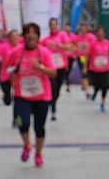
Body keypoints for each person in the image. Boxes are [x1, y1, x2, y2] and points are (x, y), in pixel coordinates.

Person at [6, 22, 56, 167]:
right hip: (22, 96)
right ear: (24, 36)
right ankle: (27, 144)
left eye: (34, 32)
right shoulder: (16, 52)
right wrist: (12, 76)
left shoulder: (44, 52)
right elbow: (8, 69)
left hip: (41, 96)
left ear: (38, 36)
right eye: (28, 32)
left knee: (39, 127)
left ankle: (38, 153)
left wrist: (39, 66)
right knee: (23, 123)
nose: (31, 35)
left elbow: (53, 73)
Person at [42, 18, 72, 119]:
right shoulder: (46, 40)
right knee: (52, 87)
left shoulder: (62, 35)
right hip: (51, 68)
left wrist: (60, 46)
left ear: (57, 26)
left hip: (61, 66)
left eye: (55, 25)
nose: (53, 27)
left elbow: (69, 47)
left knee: (57, 89)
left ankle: (53, 102)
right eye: (51, 25)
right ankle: (53, 108)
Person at [87, 26, 109, 112]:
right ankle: (95, 92)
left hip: (105, 68)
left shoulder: (108, 43)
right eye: (98, 32)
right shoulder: (92, 44)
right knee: (96, 84)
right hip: (94, 68)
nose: (100, 34)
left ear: (104, 33)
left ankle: (102, 102)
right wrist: (85, 66)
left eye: (102, 32)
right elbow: (88, 56)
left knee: (104, 85)